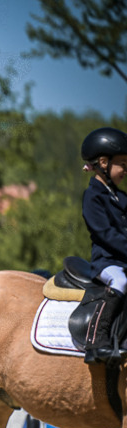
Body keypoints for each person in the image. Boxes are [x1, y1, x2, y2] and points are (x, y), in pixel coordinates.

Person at [79, 127, 127, 363]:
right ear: (104, 163)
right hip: (106, 262)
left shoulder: (121, 197)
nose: (126, 170)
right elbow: (105, 233)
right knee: (121, 282)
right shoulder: (93, 197)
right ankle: (96, 341)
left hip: (122, 259)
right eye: (123, 165)